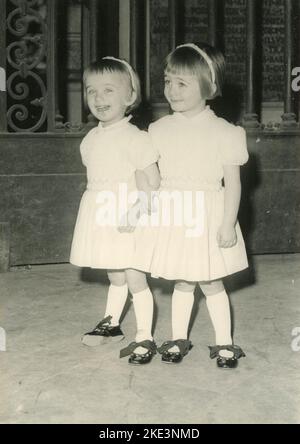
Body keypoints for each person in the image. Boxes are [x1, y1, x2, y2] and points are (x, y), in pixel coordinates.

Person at [144, 43, 248, 368]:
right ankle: (178, 338)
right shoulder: (158, 130)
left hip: (207, 216)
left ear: (209, 87)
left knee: (211, 280)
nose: (171, 90)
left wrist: (228, 223)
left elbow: (233, 183)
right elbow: (149, 177)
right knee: (182, 280)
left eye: (182, 83)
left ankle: (224, 342)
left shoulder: (225, 132)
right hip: (175, 215)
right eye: (167, 81)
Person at [70, 57, 160, 365]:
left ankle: (145, 335)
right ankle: (111, 323)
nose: (98, 98)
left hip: (129, 216)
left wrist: (136, 211)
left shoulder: (137, 138)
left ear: (130, 97)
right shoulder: (90, 139)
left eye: (108, 90)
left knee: (135, 278)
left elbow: (153, 181)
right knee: (115, 275)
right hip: (102, 214)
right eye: (91, 90)